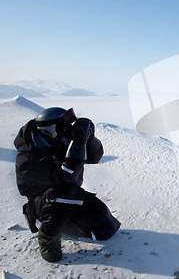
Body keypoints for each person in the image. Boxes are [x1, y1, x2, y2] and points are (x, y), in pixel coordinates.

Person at [14, 107, 120, 262]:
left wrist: (89, 137)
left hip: (66, 198)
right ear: (51, 130)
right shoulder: (29, 157)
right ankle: (47, 237)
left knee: (105, 226)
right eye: (64, 127)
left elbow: (95, 157)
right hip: (41, 202)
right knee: (69, 192)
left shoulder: (56, 142)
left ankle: (62, 220)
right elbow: (67, 176)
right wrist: (78, 141)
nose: (68, 129)